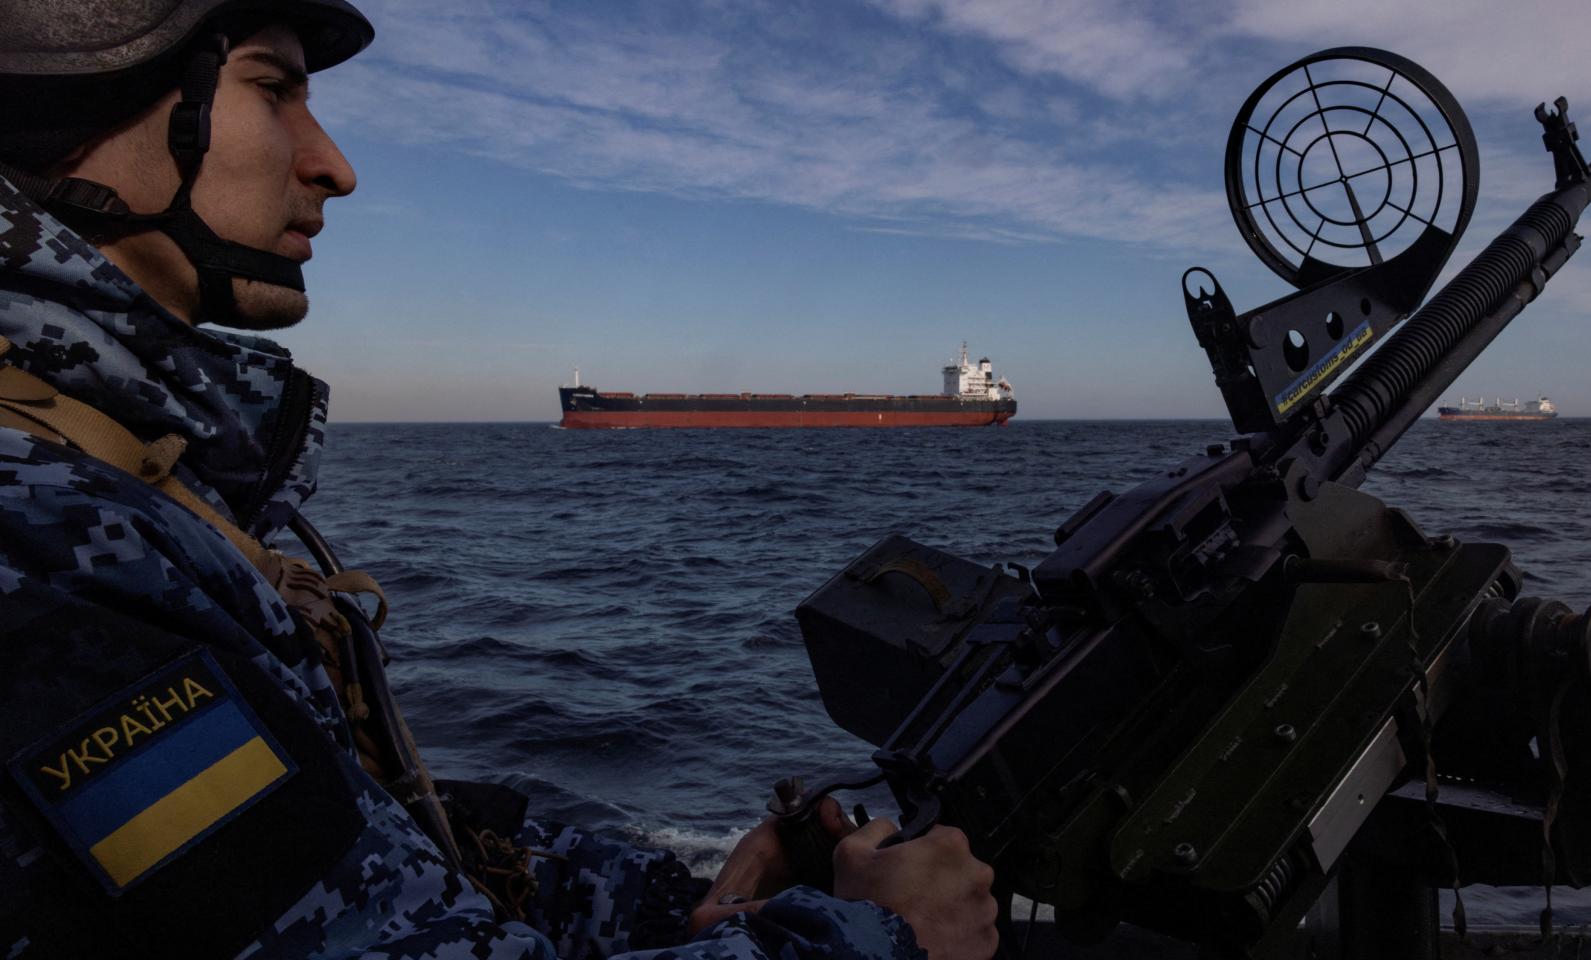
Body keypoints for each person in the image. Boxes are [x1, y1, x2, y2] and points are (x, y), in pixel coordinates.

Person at [0, 2, 999, 957]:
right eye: (273, 92)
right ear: (74, 98)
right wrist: (890, 941)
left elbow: (363, 862)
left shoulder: (127, 476)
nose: (334, 166)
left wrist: (677, 897)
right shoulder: (41, 536)